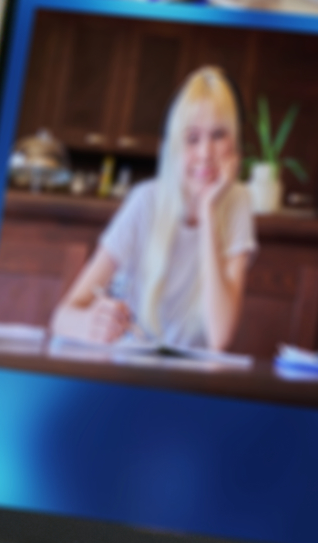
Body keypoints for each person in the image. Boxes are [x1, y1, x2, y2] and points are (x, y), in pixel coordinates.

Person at [48, 61, 254, 356]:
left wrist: (209, 211)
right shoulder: (145, 200)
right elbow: (61, 317)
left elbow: (220, 337)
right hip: (132, 365)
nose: (206, 153)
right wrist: (89, 324)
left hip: (191, 378)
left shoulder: (237, 202)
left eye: (219, 135)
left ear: (235, 143)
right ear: (174, 148)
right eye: (193, 138)